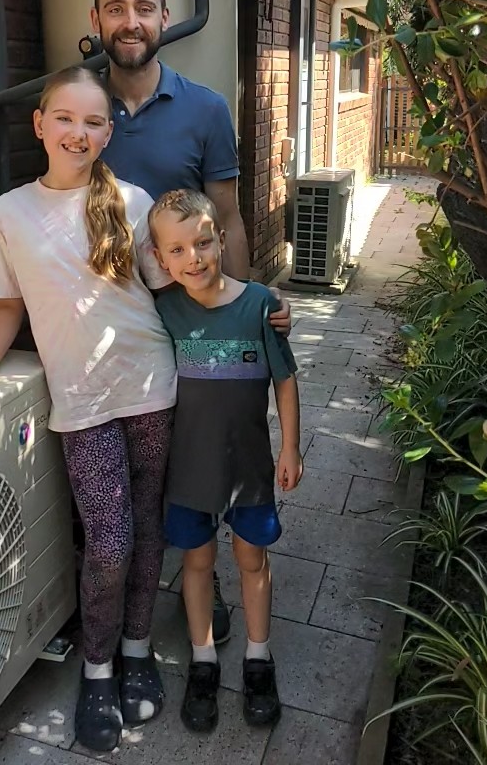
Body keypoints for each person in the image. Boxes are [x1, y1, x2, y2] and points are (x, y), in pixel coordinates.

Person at [0, 67, 177, 754]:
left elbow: (171, 289)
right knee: (108, 541)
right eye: (64, 118)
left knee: (147, 523)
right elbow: (9, 302)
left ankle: (135, 650)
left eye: (93, 121)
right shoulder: (10, 212)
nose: (78, 132)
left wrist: (248, 315)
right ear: (39, 124)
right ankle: (96, 668)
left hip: (151, 385)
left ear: (108, 132)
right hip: (81, 400)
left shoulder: (133, 202)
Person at [90, 0, 292, 642]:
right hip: (112, 339)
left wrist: (252, 310)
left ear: (165, 20)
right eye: (115, 8)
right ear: (95, 20)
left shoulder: (204, 108)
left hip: (193, 336)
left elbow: (229, 220)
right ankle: (141, 606)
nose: (130, 21)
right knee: (137, 487)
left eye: (144, 8)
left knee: (210, 462)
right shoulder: (82, 111)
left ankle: (209, 595)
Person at [148, 188, 303, 733]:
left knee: (252, 559)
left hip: (250, 468)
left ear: (219, 239)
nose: (194, 258)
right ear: (160, 257)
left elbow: (285, 380)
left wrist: (289, 446)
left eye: (204, 242)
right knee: (195, 563)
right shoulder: (162, 311)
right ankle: (204, 659)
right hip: (189, 469)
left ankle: (259, 659)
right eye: (178, 250)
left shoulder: (260, 303)